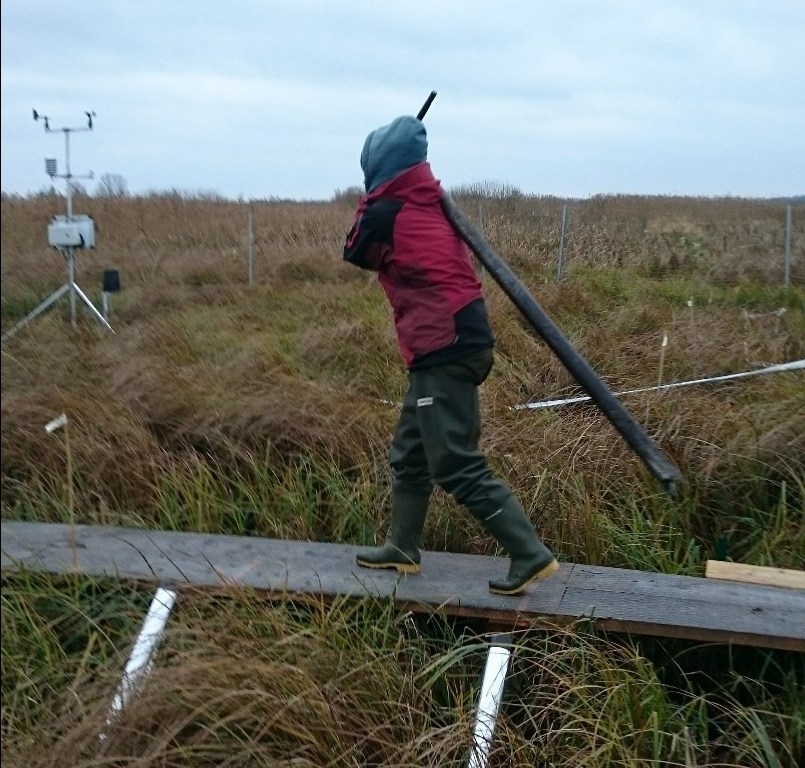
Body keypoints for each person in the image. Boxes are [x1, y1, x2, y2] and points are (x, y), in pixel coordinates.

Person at [342, 114, 559, 595]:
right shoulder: (427, 202)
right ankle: (402, 548)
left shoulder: (386, 211)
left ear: (377, 165)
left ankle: (529, 553)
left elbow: (355, 249)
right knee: (410, 453)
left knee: (455, 462)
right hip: (448, 341)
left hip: (443, 344)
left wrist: (369, 197)